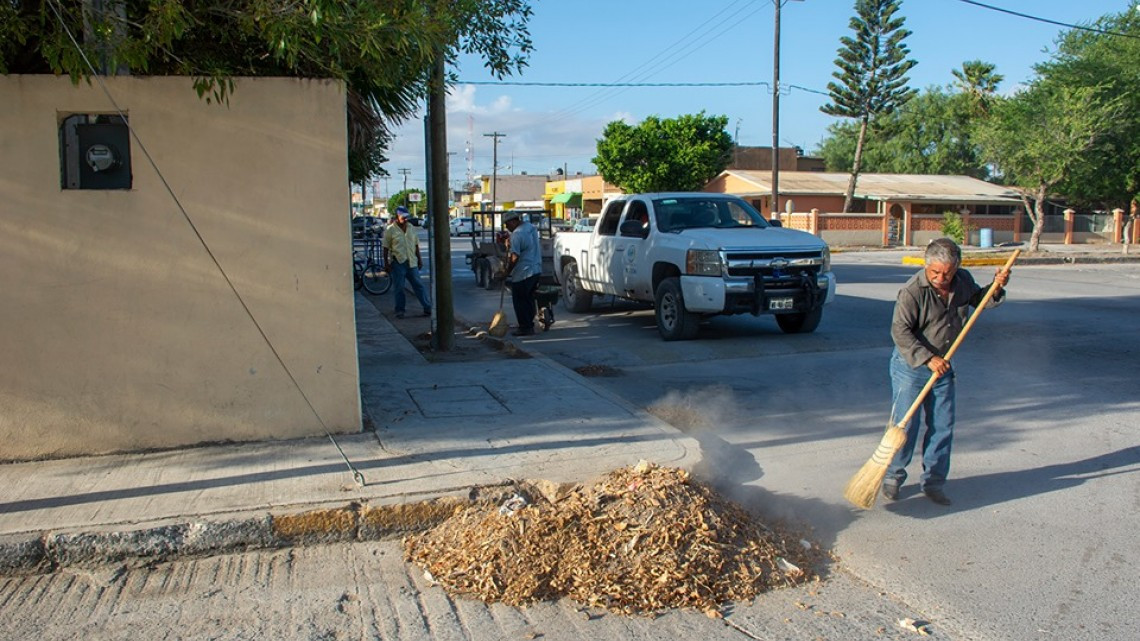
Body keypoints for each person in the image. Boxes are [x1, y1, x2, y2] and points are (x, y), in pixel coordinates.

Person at [882, 238, 1011, 506]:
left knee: (942, 426)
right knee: (904, 427)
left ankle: (934, 482)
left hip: (943, 368)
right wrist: (928, 359)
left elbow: (979, 300)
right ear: (926, 266)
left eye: (947, 273)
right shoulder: (912, 292)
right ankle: (893, 476)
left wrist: (996, 287)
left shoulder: (962, 280)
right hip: (912, 367)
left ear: (956, 268)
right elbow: (900, 332)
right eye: (935, 273)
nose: (942, 278)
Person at [382, 206, 432, 319]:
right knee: (399, 288)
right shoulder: (391, 229)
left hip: (411, 262)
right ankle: (400, 310)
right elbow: (385, 247)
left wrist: (419, 259)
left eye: (406, 218)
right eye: (403, 217)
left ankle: (427, 307)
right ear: (397, 217)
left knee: (418, 285)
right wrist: (386, 263)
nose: (405, 220)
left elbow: (416, 245)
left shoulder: (411, 228)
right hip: (398, 262)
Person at [502, 211, 542, 337]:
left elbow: (514, 257)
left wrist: (506, 272)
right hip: (536, 269)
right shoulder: (530, 227)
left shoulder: (517, 234)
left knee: (520, 301)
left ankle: (525, 327)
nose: (507, 228)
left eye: (507, 225)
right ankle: (529, 324)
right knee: (529, 299)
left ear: (513, 221)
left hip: (523, 272)